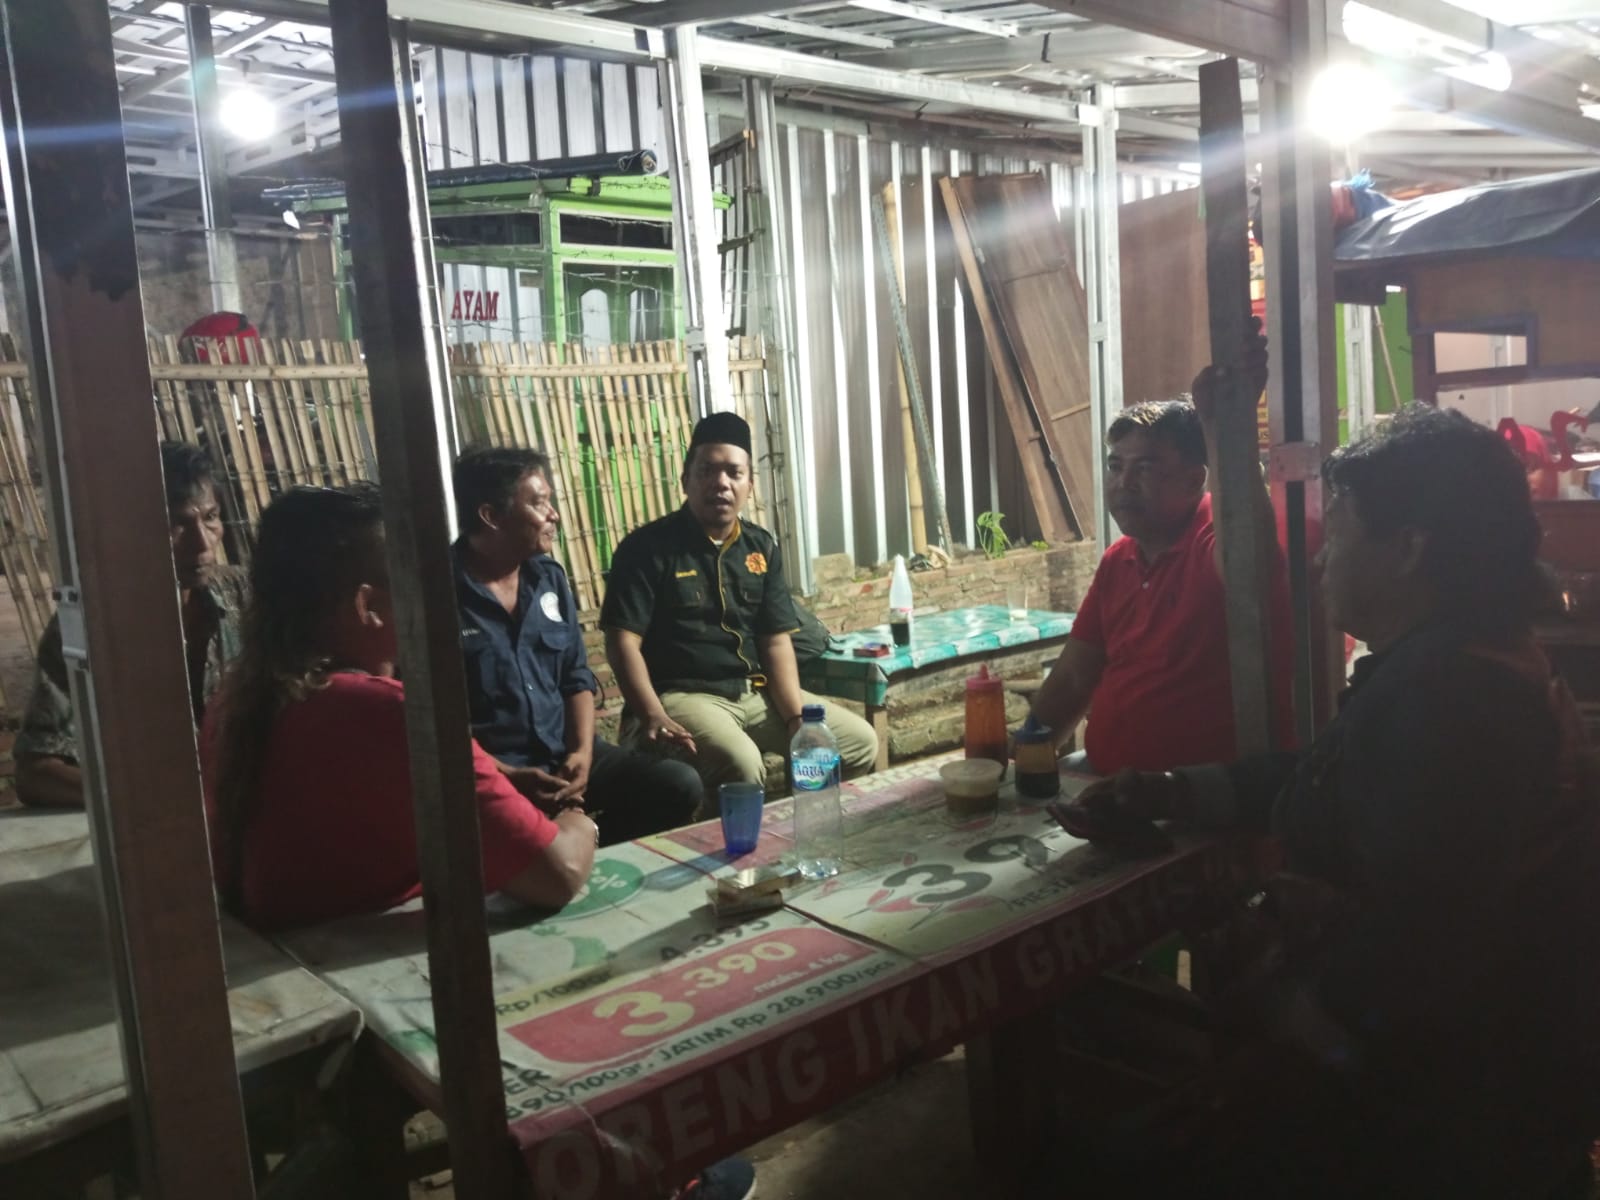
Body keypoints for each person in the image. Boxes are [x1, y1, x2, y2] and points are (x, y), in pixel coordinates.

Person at [1063, 406, 1600, 1197]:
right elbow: (1329, 770)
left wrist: (1277, 1022)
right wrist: (1176, 790)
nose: (1319, 555)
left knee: (1099, 1158)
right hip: (1440, 1080)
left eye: (1339, 532)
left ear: (1409, 549)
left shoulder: (1451, 705)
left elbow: (1417, 956)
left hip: (1436, 1121)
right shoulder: (1450, 662)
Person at [200, 484, 597, 931]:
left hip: (298, 949)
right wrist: (578, 818)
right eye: (421, 583)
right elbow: (558, 874)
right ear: (368, 605)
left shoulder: (236, 698)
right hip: (370, 954)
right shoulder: (386, 713)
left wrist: (494, 776)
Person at [1031, 325, 1295, 772]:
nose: (1123, 484)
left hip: (1199, 795)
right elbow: (1075, 677)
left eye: (1145, 468)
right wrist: (1020, 756)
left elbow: (1247, 564)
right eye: (1116, 466)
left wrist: (1226, 430)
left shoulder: (1216, 538)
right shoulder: (1119, 560)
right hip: (1107, 782)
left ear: (1194, 480)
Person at [602, 412, 877, 802]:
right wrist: (651, 713)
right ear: (685, 480)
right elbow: (622, 643)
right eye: (707, 471)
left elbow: (775, 641)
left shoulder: (760, 547)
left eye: (734, 473)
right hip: (684, 697)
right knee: (743, 764)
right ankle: (728, 836)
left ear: (750, 484)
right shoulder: (646, 549)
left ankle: (797, 824)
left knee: (856, 743)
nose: (721, 483)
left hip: (755, 693)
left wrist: (795, 717)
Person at [452, 446, 702, 843]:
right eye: (539, 503)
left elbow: (575, 678)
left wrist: (582, 755)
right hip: (492, 773)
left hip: (563, 755)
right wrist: (506, 775)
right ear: (491, 516)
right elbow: (430, 726)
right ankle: (558, 851)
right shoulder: (440, 597)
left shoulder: (548, 578)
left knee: (678, 784)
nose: (553, 515)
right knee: (514, 833)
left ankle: (588, 849)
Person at [15, 440, 247, 807]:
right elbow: (37, 772)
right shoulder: (95, 623)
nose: (202, 544)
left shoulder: (242, 596)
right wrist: (167, 802)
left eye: (210, 517)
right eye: (175, 524)